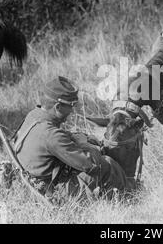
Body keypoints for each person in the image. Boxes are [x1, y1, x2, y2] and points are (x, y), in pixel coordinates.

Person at [13, 76, 131, 204]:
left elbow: (55, 137)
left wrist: (73, 136)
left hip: (32, 183)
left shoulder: (34, 115)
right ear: (58, 107)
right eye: (71, 106)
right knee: (106, 163)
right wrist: (86, 144)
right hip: (51, 193)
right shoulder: (51, 135)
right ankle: (129, 197)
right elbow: (90, 164)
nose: (72, 111)